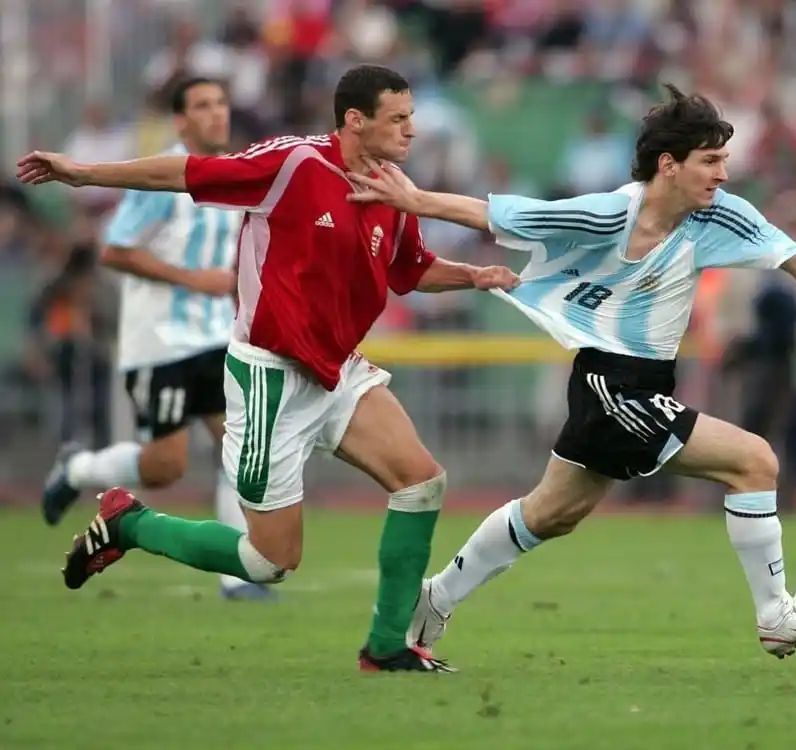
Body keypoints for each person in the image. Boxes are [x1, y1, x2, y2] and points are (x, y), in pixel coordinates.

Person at [346, 85, 796, 664]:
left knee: (551, 513)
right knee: (755, 461)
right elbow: (503, 213)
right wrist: (414, 200)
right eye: (710, 161)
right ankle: (775, 616)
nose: (724, 173)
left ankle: (433, 600)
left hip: (642, 385)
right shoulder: (610, 213)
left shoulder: (720, 215)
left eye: (724, 159)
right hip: (608, 385)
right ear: (669, 166)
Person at [15, 64, 519, 672]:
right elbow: (186, 172)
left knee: (420, 483)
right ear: (355, 121)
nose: (412, 130)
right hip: (270, 378)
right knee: (268, 562)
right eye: (399, 118)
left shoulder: (394, 187)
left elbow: (408, 270)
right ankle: (129, 524)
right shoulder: (295, 165)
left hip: (338, 371)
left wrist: (473, 276)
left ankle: (388, 647)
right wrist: (84, 172)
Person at [38, 77, 273, 600]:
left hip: (216, 338)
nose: (216, 114)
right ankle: (77, 467)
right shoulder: (166, 178)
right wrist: (195, 281)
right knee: (165, 467)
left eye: (221, 104)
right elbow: (115, 250)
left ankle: (237, 577)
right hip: (160, 341)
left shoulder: (234, 178)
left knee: (238, 443)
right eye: (202, 106)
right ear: (181, 121)